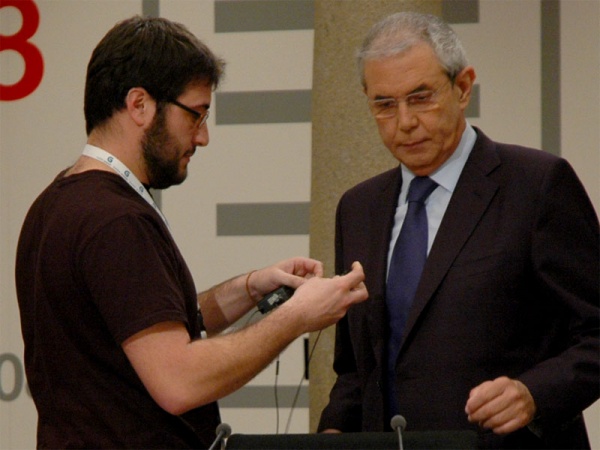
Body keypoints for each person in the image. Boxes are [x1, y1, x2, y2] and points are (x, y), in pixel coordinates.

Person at [15, 16, 368, 449]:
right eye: (195, 114)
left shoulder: (56, 202)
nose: (202, 137)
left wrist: (251, 288)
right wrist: (295, 317)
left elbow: (139, 326)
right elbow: (178, 380)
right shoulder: (115, 220)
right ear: (140, 105)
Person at [317, 11, 599, 449]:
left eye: (421, 97)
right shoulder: (358, 207)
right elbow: (357, 365)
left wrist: (533, 394)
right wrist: (333, 432)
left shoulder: (537, 184)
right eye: (385, 105)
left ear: (463, 87)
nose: (405, 121)